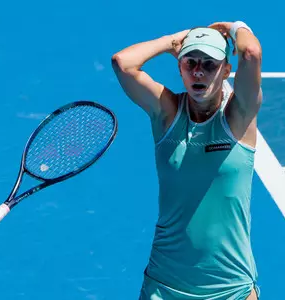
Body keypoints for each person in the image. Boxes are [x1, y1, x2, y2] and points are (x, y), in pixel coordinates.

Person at [111, 20, 263, 300]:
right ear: (179, 67)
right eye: (190, 62)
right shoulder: (167, 112)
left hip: (231, 290)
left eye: (209, 64)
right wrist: (171, 41)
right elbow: (123, 63)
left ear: (226, 70)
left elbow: (250, 52)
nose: (198, 71)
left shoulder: (238, 117)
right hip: (165, 286)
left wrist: (235, 27)